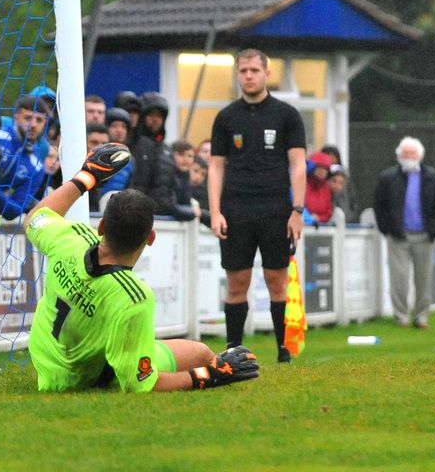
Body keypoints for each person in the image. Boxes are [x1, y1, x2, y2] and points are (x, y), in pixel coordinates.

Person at [24, 142, 259, 393]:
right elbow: (142, 382)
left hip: (43, 359)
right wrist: (210, 375)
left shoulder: (73, 237)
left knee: (180, 349)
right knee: (201, 355)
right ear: (151, 238)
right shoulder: (133, 297)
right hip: (77, 378)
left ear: (101, 226)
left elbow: (34, 218)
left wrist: (86, 177)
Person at [207, 49, 307, 363]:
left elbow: (299, 164)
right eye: (243, 71)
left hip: (276, 208)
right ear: (237, 74)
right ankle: (234, 350)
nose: (248, 75)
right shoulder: (226, 117)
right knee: (237, 282)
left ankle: (284, 350)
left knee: (277, 279)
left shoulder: (286, 115)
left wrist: (297, 210)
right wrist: (215, 211)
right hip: (236, 209)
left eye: (254, 70)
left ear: (266, 73)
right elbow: (215, 167)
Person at [373, 136, 435, 329]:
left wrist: (434, 230)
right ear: (399, 155)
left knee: (424, 279)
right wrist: (386, 229)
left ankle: (421, 317)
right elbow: (379, 205)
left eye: (412, 153)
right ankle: (401, 316)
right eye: (405, 153)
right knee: (399, 279)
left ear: (420, 156)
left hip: (424, 236)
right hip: (398, 235)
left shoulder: (431, 176)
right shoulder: (388, 177)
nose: (408, 157)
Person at [0, 94, 51, 219]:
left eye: (39, 120)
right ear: (16, 117)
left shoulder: (37, 167)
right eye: (28, 118)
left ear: (45, 123)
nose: (33, 124)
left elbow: (16, 209)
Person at [128, 94, 175, 214]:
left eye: (159, 115)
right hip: (138, 212)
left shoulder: (167, 150)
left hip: (162, 215)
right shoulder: (133, 145)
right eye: (151, 114)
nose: (155, 119)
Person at [164, 139, 201, 221]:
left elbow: (185, 203)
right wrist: (192, 212)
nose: (186, 159)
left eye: (190, 156)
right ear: (171, 155)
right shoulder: (166, 175)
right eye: (181, 154)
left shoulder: (186, 178)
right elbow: (170, 207)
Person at [304, 151, 334, 224]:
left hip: (322, 228)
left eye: (325, 169)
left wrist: (319, 218)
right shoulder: (303, 184)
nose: (322, 171)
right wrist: (309, 217)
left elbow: (328, 211)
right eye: (319, 167)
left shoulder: (326, 188)